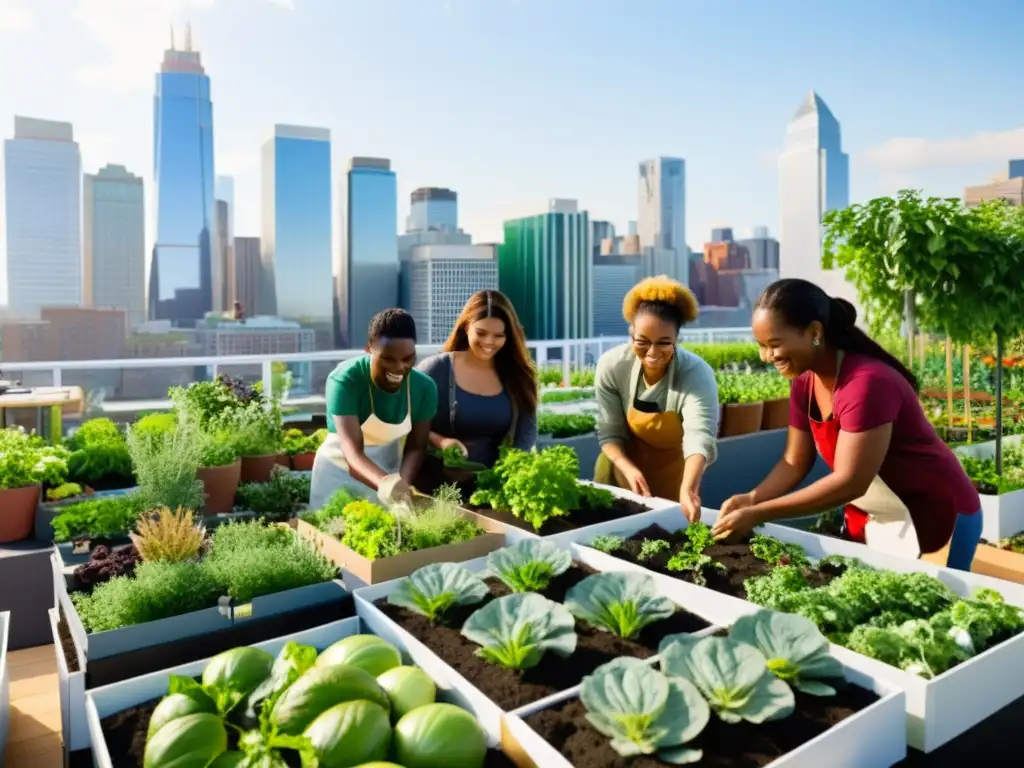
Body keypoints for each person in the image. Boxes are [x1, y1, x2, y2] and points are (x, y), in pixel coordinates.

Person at [713, 278, 982, 571]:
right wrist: (752, 499)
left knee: (934, 610)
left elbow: (850, 481)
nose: (766, 357)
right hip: (875, 516)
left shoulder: (866, 384)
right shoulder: (805, 383)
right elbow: (794, 461)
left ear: (815, 332)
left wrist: (758, 513)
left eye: (774, 344)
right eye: (761, 346)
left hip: (933, 516)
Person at [593, 275, 719, 522]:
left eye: (664, 343)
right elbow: (609, 433)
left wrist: (689, 488)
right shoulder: (612, 365)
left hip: (675, 470)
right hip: (621, 462)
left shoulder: (696, 373)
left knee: (666, 533)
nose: (652, 352)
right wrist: (628, 469)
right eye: (642, 342)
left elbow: (699, 435)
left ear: (677, 339)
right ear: (631, 334)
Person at [308, 308, 438, 511]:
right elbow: (352, 454)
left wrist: (402, 484)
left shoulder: (424, 388)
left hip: (387, 475)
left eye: (408, 359)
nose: (399, 368)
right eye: (388, 359)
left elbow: (416, 446)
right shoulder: (346, 379)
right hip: (337, 475)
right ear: (369, 349)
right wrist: (387, 484)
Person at [416, 290, 537, 487]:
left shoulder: (518, 377)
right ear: (466, 328)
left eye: (498, 335)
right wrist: (441, 442)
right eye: (481, 333)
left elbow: (526, 433)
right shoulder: (436, 369)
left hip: (495, 487)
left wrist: (511, 471)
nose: (489, 342)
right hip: (437, 486)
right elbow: (406, 422)